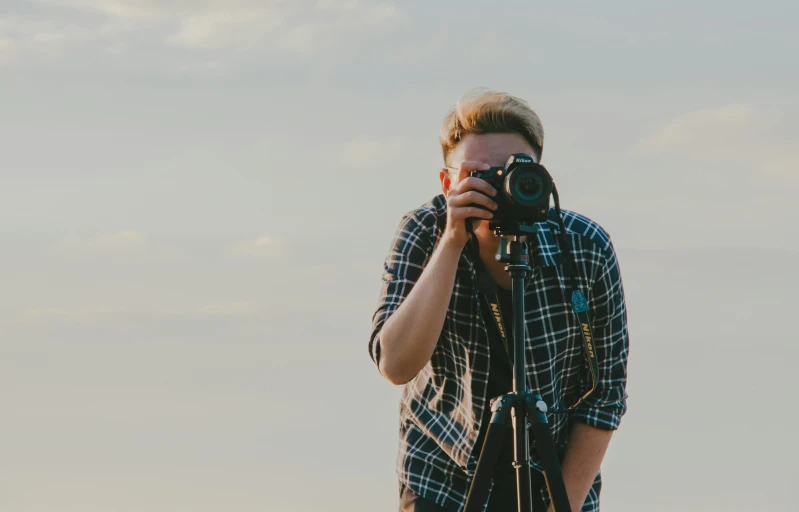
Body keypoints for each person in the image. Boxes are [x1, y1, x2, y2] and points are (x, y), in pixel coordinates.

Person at [368, 88, 629, 512]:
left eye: (513, 172)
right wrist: (452, 241)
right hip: (443, 476)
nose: (499, 187)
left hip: (553, 480)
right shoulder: (424, 231)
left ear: (540, 178)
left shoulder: (585, 249)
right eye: (480, 175)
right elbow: (395, 365)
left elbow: (605, 396)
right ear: (447, 182)